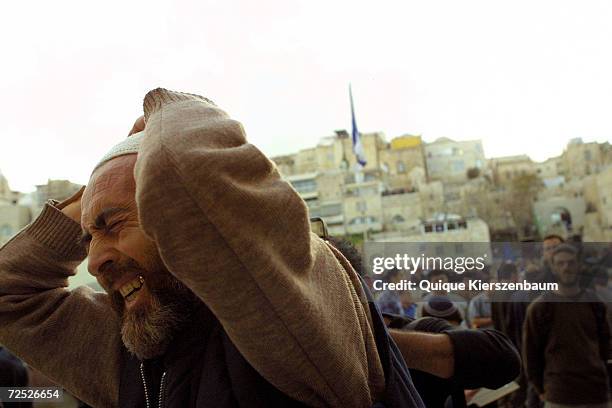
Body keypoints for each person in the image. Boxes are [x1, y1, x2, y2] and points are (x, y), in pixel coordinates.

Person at [0, 89, 424, 407]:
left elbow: (179, 167)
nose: (93, 261)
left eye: (113, 225)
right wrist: (91, 198)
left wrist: (163, 109)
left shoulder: (300, 313)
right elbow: (8, 296)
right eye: (88, 239)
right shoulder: (136, 348)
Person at [523, 244, 610, 408]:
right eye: (561, 264)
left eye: (570, 263)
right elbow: (531, 353)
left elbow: (605, 346)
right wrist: (540, 389)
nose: (566, 268)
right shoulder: (541, 308)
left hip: (596, 390)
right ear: (553, 268)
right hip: (560, 393)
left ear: (578, 265)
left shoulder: (594, 303)